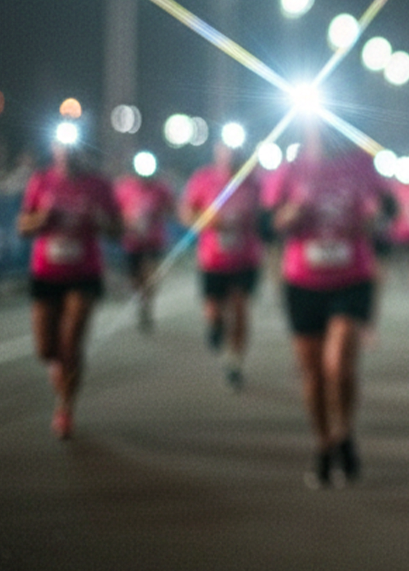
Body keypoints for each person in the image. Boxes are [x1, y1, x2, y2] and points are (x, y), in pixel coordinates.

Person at [264, 118, 387, 487]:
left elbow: (382, 209)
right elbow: (269, 223)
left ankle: (345, 431)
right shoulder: (290, 168)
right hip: (303, 280)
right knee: (313, 374)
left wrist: (371, 217)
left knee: (338, 365)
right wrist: (292, 213)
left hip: (351, 277)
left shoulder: (360, 164)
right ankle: (323, 443)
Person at [17, 125, 120, 439]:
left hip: (84, 272)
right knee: (46, 349)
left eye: (73, 146)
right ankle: (57, 368)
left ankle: (65, 408)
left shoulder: (99, 185)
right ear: (54, 149)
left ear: (82, 149)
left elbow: (118, 230)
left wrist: (100, 220)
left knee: (71, 342)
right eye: (61, 145)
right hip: (46, 272)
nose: (67, 152)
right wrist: (42, 218)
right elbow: (23, 226)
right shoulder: (41, 181)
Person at [180, 142, 266, 390]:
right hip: (213, 259)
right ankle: (215, 325)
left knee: (240, 308)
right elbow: (186, 212)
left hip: (245, 258)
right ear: (217, 154)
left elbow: (267, 211)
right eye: (225, 152)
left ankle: (234, 362)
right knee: (214, 310)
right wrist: (205, 221)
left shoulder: (254, 181)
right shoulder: (203, 178)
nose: (230, 157)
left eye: (234, 152)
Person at [112, 155, 175, 333]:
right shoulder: (124, 187)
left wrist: (158, 213)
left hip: (154, 240)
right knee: (135, 277)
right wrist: (127, 220)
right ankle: (141, 299)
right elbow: (115, 211)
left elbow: (171, 208)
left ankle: (148, 302)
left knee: (151, 274)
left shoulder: (161, 188)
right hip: (132, 241)